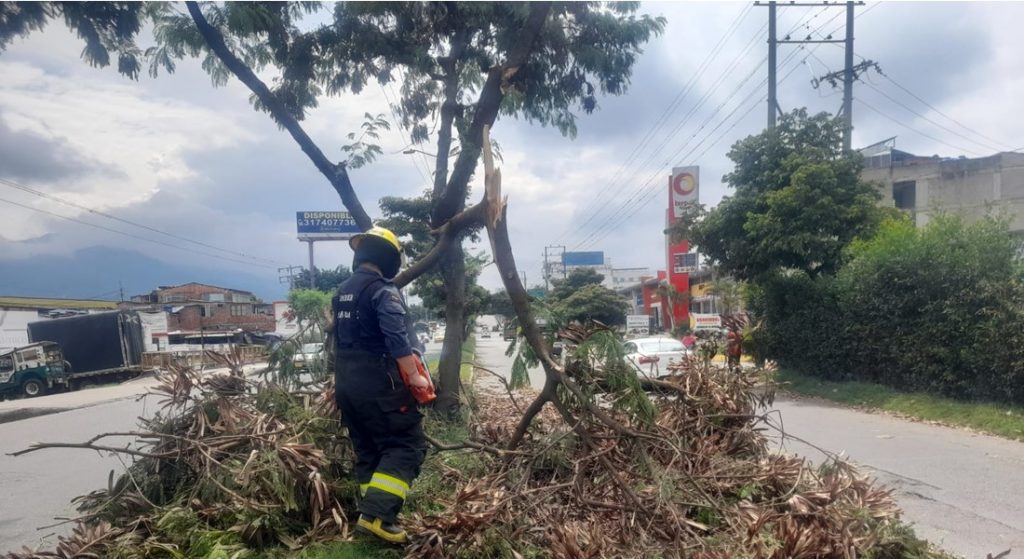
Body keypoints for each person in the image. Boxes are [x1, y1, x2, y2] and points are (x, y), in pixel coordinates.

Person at [332, 226, 427, 544]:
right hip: (379, 386)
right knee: (405, 445)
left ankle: (369, 516)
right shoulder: (383, 290)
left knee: (369, 449)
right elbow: (396, 336)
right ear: (389, 258)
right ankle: (378, 517)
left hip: (346, 386)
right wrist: (414, 375)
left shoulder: (341, 291)